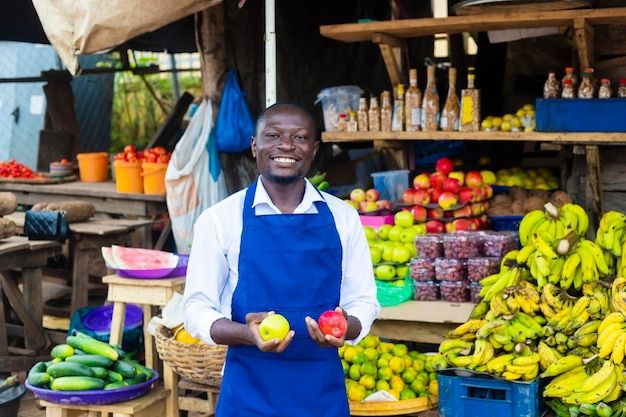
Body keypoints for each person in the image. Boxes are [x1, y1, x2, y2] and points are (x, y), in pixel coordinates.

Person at [183, 101, 380, 417]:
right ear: (254, 146)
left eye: (300, 138)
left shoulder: (343, 217)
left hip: (321, 397)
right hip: (248, 395)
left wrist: (346, 327)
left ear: (314, 149)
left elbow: (364, 302)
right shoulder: (220, 219)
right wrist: (246, 334)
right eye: (273, 135)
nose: (286, 145)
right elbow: (195, 308)